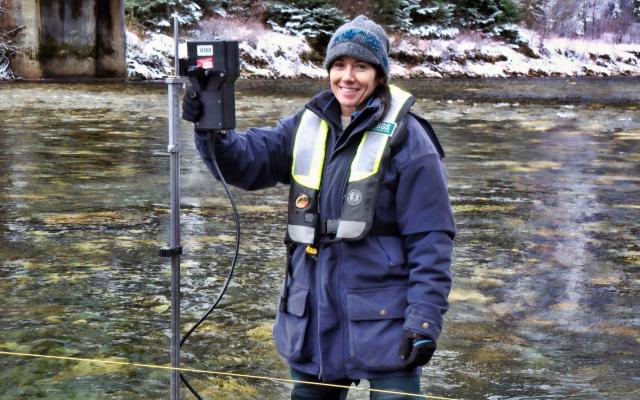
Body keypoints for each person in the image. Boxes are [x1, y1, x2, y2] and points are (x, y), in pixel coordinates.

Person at [182, 15, 455, 400]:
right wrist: (210, 127)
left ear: (379, 75)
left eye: (361, 66)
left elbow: (433, 239)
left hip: (385, 324)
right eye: (339, 65)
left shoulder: (412, 141)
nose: (348, 77)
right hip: (314, 320)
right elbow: (245, 162)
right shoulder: (306, 124)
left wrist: (424, 320)